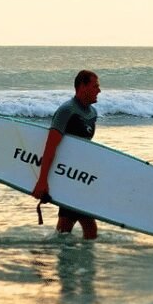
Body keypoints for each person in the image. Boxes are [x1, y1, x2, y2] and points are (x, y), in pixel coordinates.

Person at [32, 70, 100, 239]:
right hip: (67, 178)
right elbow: (50, 147)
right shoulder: (66, 111)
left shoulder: (92, 113)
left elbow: (83, 149)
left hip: (79, 178)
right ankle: (43, 257)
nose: (99, 90)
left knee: (79, 229)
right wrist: (42, 181)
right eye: (95, 86)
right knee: (78, 229)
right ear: (82, 86)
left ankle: (49, 257)